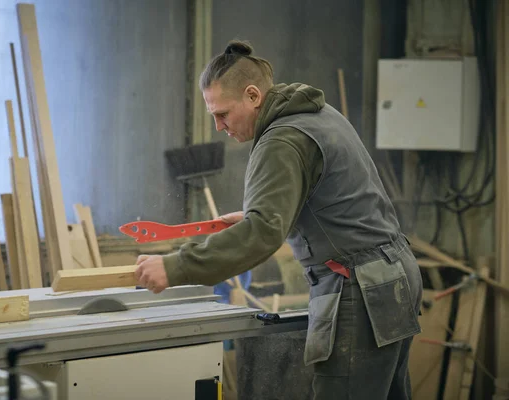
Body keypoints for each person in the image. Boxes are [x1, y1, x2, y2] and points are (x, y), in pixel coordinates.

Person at [134, 39, 423, 399]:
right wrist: (270, 212)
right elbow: (336, 202)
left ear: (253, 96)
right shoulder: (317, 114)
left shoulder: (281, 140)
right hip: (393, 279)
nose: (219, 127)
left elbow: (262, 234)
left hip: (359, 291)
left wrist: (175, 267)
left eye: (222, 114)